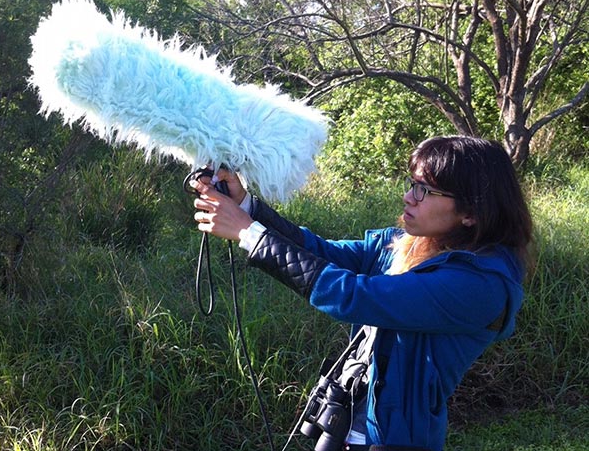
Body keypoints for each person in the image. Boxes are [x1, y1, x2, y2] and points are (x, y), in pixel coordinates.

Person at [190, 135, 533, 451]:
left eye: (424, 190)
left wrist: (250, 234)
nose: (408, 196)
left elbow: (356, 296)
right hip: (348, 427)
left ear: (471, 212)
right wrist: (248, 207)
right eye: (412, 183)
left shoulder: (479, 285)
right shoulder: (410, 244)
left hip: (392, 441)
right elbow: (321, 252)